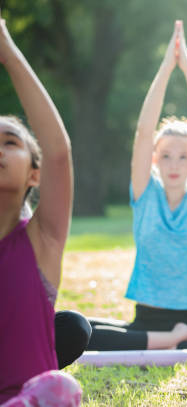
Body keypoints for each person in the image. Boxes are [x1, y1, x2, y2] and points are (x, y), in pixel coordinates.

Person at [85, 21, 187, 351]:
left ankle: (170, 340)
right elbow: (144, 133)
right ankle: (173, 342)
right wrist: (166, 67)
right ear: (154, 160)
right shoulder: (145, 196)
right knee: (75, 327)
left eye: (182, 156)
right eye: (165, 156)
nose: (173, 164)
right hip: (146, 320)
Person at [0, 8, 82, 406]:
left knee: (59, 387)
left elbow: (58, 153)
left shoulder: (40, 240)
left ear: (34, 175)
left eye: (10, 142)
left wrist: (9, 53)